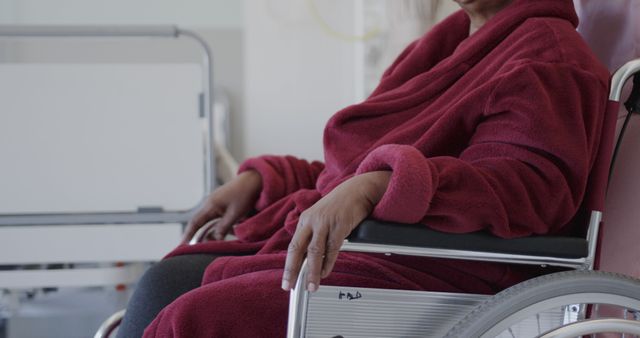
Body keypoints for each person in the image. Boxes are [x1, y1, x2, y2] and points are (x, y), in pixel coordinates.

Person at [118, 0, 611, 336]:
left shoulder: (549, 57)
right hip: (374, 248)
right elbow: (352, 170)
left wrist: (381, 186)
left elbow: (527, 191)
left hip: (441, 273)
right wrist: (265, 180)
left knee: (196, 314)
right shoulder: (445, 45)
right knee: (165, 279)